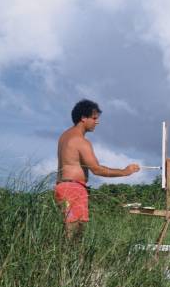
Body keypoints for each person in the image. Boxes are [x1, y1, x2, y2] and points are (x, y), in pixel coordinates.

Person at [54, 99, 140, 240]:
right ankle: (71, 262)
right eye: (94, 118)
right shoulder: (80, 141)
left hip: (61, 187)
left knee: (67, 234)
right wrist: (125, 172)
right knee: (74, 236)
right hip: (73, 189)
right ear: (83, 118)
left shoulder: (64, 136)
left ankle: (66, 261)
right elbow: (97, 169)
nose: (97, 122)